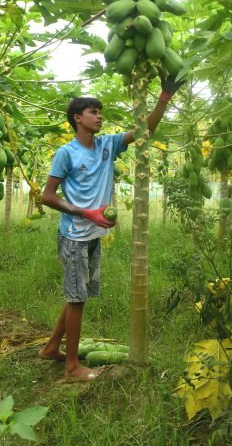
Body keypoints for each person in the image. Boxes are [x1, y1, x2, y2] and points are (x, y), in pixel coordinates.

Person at [38, 76, 182, 382]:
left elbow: (146, 130)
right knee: (77, 300)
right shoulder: (67, 153)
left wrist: (164, 97)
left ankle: (52, 348)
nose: (100, 116)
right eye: (93, 112)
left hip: (93, 235)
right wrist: (85, 212)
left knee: (78, 296)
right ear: (78, 118)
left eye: (100, 112)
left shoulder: (107, 145)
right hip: (75, 235)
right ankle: (72, 368)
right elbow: (47, 196)